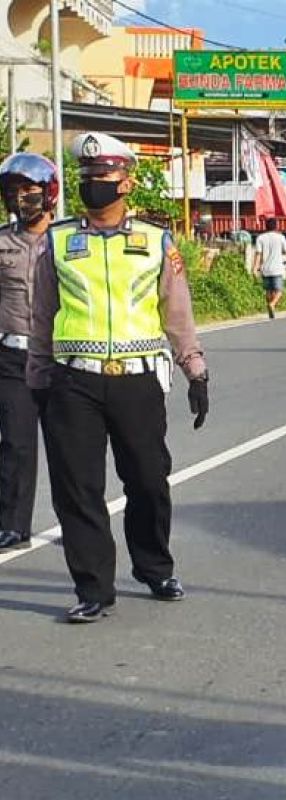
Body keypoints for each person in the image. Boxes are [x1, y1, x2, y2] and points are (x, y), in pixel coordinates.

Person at [28, 132, 210, 623]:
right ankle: (93, 588)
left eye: (103, 179)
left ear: (127, 183)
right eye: (86, 179)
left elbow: (177, 313)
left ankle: (154, 567)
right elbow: (42, 314)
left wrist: (194, 368)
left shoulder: (156, 242)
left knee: (149, 480)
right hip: (72, 381)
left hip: (137, 380)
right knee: (77, 489)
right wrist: (37, 377)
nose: (93, 187)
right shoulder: (58, 242)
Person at [0, 154, 57, 553]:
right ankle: (12, 525)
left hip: (61, 360)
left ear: (49, 193)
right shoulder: (2, 241)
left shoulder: (71, 240)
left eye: (29, 191)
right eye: (13, 191)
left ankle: (79, 523)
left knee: (70, 448)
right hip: (12, 357)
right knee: (16, 445)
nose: (21, 198)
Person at [254, 216, 286, 319]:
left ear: (266, 226)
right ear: (276, 226)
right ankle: (273, 304)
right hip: (277, 268)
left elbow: (258, 254)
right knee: (279, 290)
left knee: (268, 290)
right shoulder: (280, 237)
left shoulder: (260, 238)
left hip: (265, 269)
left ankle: (270, 306)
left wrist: (255, 268)